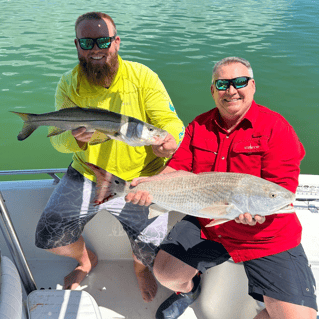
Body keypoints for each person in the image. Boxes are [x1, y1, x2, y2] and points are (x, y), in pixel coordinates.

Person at [125, 57, 317, 318]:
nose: (231, 90)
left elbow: (281, 189)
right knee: (166, 274)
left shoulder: (276, 128)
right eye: (222, 83)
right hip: (210, 221)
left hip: (266, 235)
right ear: (213, 90)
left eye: (239, 82)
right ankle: (189, 290)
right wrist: (147, 185)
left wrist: (261, 213)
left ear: (252, 86)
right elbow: (177, 170)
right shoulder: (198, 125)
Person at [34, 11, 184, 302]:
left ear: (117, 42)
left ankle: (140, 270)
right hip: (88, 174)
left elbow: (171, 123)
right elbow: (58, 141)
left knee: (151, 251)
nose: (95, 49)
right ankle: (86, 259)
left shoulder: (142, 77)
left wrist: (170, 141)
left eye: (103, 40)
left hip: (141, 179)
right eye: (87, 42)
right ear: (77, 45)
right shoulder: (69, 84)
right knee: (48, 238)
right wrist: (73, 139)